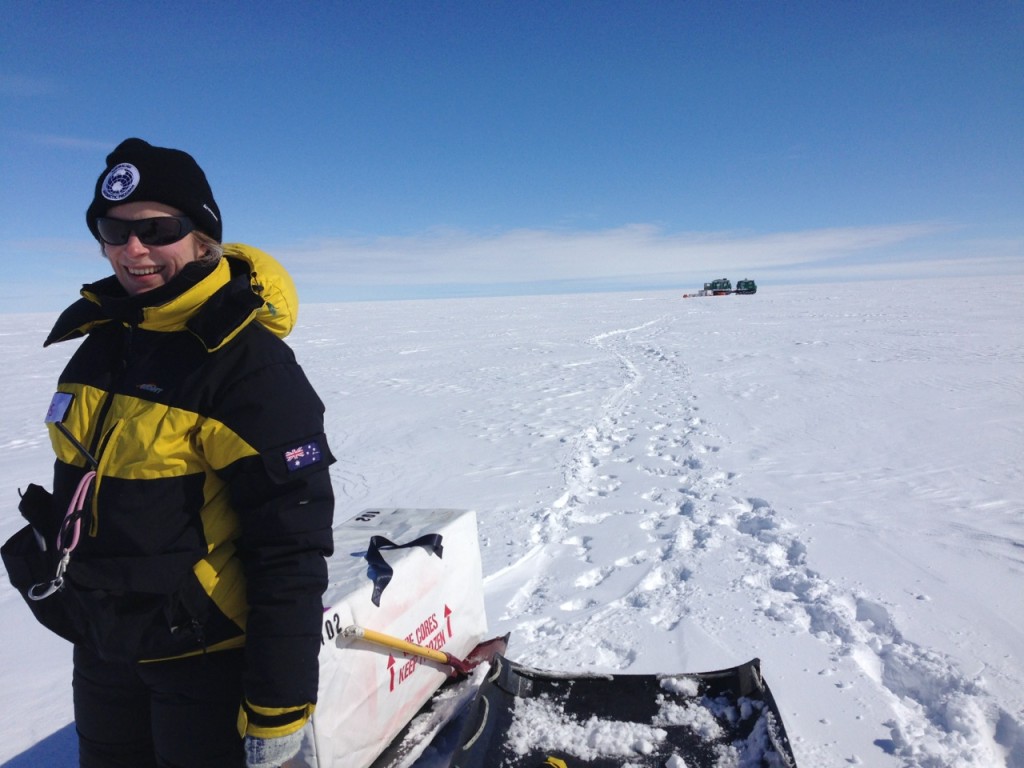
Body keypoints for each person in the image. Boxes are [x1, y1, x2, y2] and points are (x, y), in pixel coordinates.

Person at [5, 138, 335, 767]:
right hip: (101, 646)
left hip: (203, 659)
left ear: (202, 238)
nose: (134, 249)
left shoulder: (245, 365)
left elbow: (290, 545)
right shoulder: (101, 342)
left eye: (158, 228)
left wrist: (279, 704)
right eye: (115, 229)